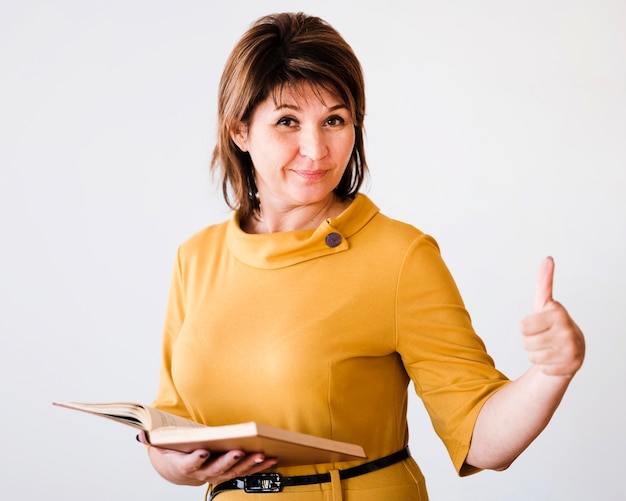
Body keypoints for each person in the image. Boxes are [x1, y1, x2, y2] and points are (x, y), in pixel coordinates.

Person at [141, 12, 585, 500]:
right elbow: (174, 422)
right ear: (240, 131)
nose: (316, 149)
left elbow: (482, 441)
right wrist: (169, 461)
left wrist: (551, 372)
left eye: (335, 120)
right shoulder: (196, 258)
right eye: (287, 121)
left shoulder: (399, 256)